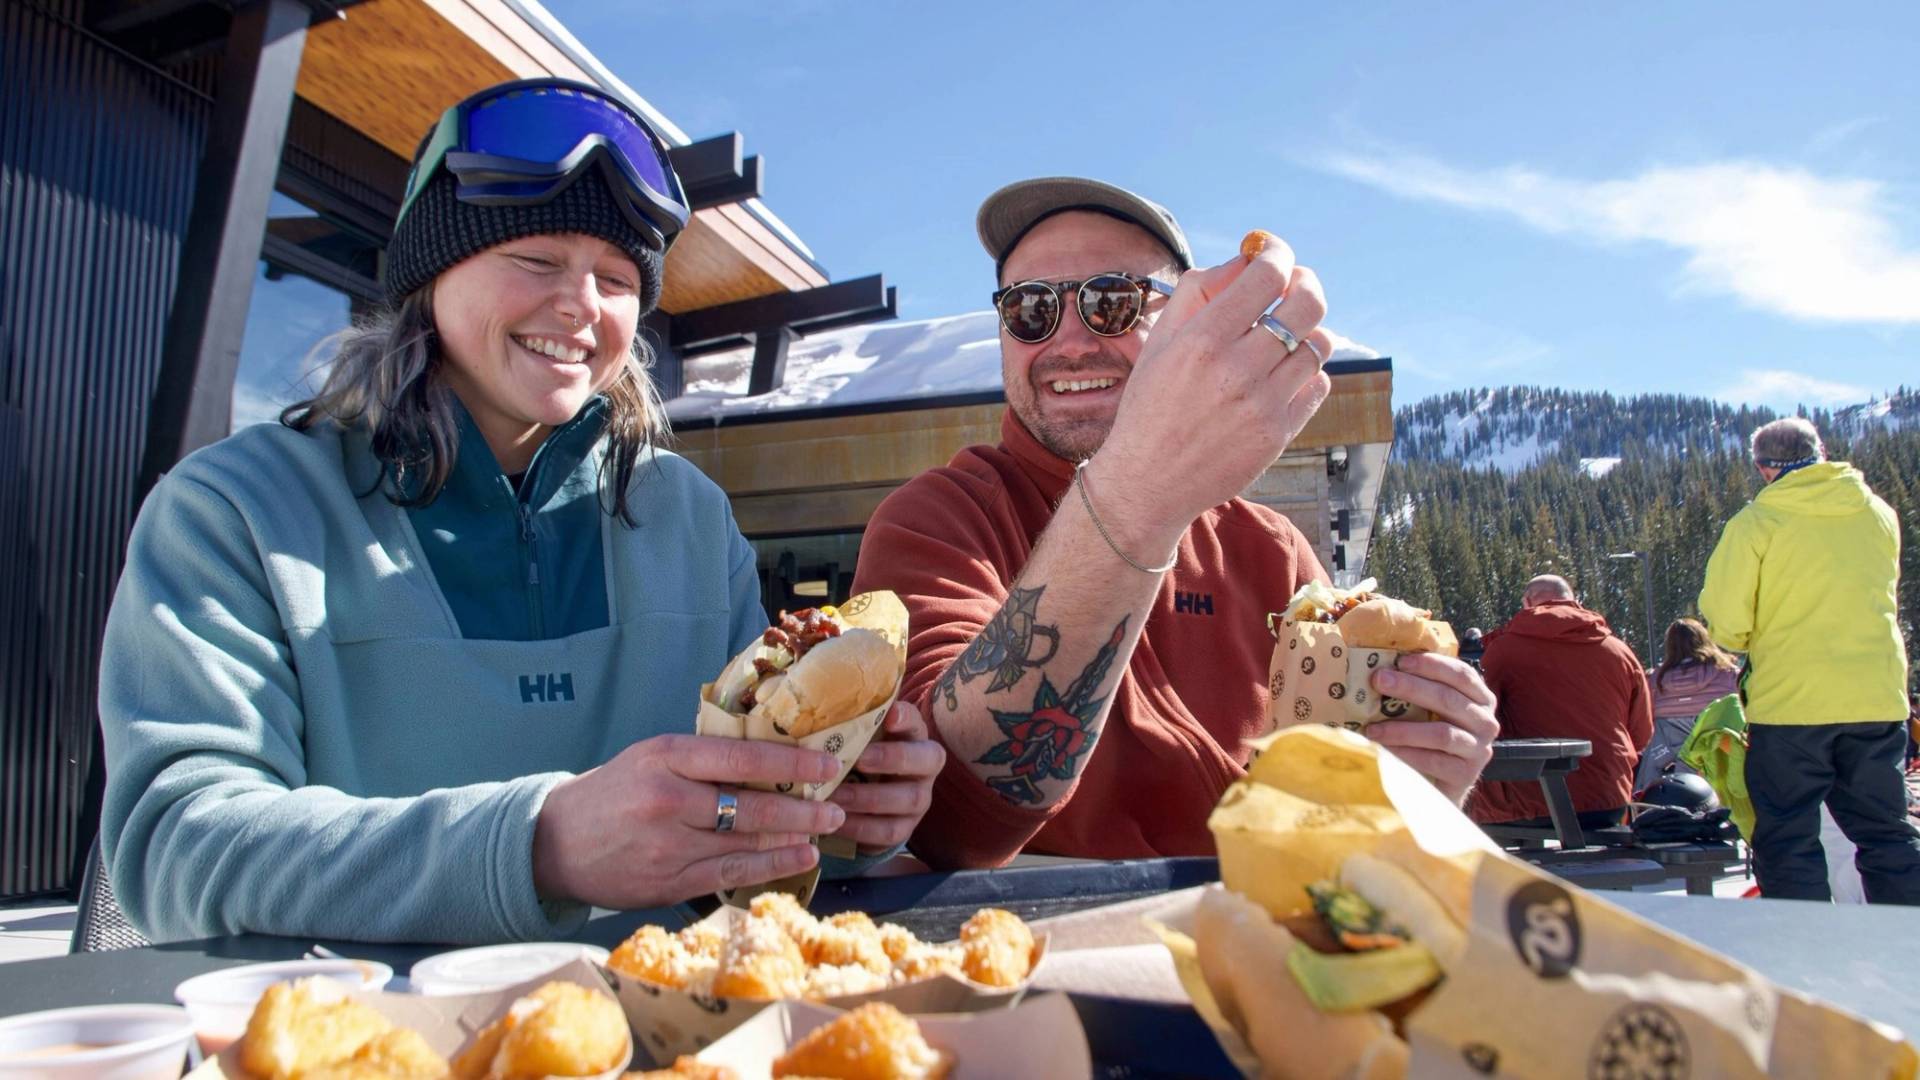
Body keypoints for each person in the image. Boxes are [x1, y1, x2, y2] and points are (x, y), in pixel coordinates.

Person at [97, 79, 942, 944]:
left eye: (616, 279)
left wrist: (845, 808)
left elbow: (745, 828)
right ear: (431, 275)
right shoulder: (235, 513)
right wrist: (539, 846)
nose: (580, 305)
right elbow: (177, 849)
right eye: (536, 260)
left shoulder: (687, 517)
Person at [849, 177, 1497, 868]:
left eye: (1113, 301)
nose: (1069, 340)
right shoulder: (943, 518)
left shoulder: (1272, 554)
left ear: (1190, 323)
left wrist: (1407, 789)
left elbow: (1321, 823)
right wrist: (1138, 494)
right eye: (1030, 309)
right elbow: (953, 816)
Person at [1699, 417, 1920, 904]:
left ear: (1763, 469)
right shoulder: (1878, 512)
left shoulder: (1757, 523)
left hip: (1791, 706)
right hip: (1877, 699)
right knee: (1886, 832)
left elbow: (1728, 624)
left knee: (1788, 837)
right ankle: (1908, 949)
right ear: (1821, 452)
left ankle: (1804, 955)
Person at [1467, 575, 1652, 831]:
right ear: (1574, 601)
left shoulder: (1503, 651)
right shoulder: (1619, 651)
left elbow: (1476, 720)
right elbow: (1641, 735)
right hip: (1608, 800)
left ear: (1527, 602)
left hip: (1525, 805)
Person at [1632, 617, 1740, 791]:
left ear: (1670, 646)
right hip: (1719, 759)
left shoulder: (1655, 681)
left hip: (1667, 762)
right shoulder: (1729, 675)